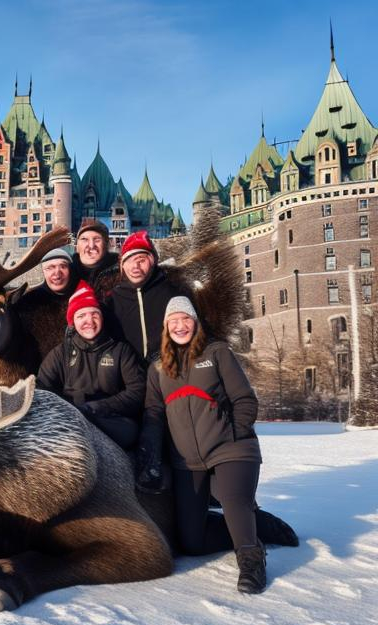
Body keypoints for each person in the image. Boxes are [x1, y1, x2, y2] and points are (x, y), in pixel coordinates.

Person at [139, 296, 281, 594]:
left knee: (233, 502)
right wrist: (152, 450)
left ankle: (251, 558)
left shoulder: (216, 353)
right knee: (192, 543)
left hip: (231, 450)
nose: (180, 326)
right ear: (166, 327)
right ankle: (257, 526)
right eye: (173, 321)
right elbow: (153, 413)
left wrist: (235, 433)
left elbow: (244, 399)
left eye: (186, 319)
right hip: (187, 461)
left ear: (195, 323)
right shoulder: (157, 368)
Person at [37, 280, 145, 450]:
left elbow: (137, 391)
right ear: (72, 321)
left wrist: (98, 407)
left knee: (129, 433)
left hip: (109, 418)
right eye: (81, 316)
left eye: (94, 314)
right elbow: (42, 387)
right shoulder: (60, 353)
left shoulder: (121, 349)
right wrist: (68, 409)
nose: (89, 321)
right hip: (71, 419)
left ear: (102, 317)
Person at [109, 230, 185, 364]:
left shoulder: (172, 291)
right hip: (128, 374)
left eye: (141, 261)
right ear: (122, 266)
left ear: (152, 262)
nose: (135, 267)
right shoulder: (113, 299)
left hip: (167, 370)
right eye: (129, 261)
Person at [72, 222, 119, 300]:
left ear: (106, 244)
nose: (91, 245)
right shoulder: (67, 275)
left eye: (97, 240)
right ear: (77, 246)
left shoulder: (120, 274)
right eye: (84, 239)